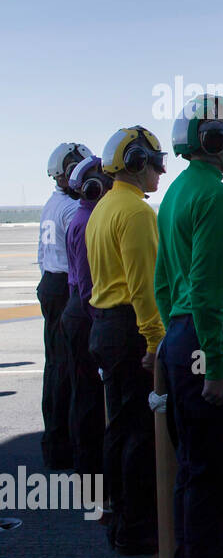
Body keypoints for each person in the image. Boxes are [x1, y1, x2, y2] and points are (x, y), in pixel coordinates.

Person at [154, 94, 223, 558]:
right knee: (214, 476)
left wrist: (175, 340)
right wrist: (213, 365)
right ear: (213, 139)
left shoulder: (174, 193)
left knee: (193, 473)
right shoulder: (214, 195)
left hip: (180, 336)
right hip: (206, 340)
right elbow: (212, 289)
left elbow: (166, 283)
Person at [87, 126, 167, 554]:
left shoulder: (103, 207)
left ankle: (119, 517)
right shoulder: (136, 213)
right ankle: (138, 528)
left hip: (106, 325)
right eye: (155, 162)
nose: (159, 171)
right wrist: (155, 341)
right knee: (139, 433)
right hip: (130, 329)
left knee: (118, 427)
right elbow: (145, 287)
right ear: (137, 164)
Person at [38, 141, 92, 469]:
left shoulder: (52, 203)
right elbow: (81, 260)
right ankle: (64, 446)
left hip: (50, 283)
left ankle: (54, 443)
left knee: (54, 366)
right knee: (70, 371)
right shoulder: (73, 209)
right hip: (64, 287)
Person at [61, 156, 111, 481]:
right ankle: (90, 474)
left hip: (77, 314)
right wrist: (101, 328)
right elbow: (87, 285)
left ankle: (87, 470)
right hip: (84, 317)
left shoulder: (83, 217)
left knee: (85, 395)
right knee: (90, 400)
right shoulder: (86, 222)